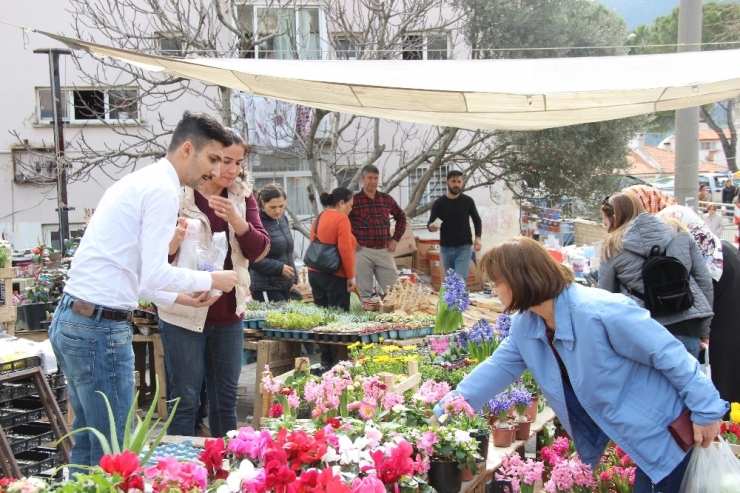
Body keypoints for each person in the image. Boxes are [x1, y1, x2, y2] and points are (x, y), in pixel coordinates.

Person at [434, 237, 726, 492]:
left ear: (518, 279)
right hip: (635, 437)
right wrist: (444, 411)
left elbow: (669, 354)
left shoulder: (600, 311)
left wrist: (706, 410)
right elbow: (494, 371)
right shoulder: (527, 325)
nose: (494, 291)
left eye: (496, 283)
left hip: (667, 432)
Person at [49, 111, 240, 467]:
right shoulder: (161, 189)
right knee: (117, 454)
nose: (215, 171)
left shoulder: (143, 181)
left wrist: (180, 297)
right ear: (187, 149)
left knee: (92, 448)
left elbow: (134, 275)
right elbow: (154, 273)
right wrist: (212, 279)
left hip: (78, 319)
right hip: (97, 329)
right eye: (212, 159)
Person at [157, 129, 270, 439]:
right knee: (186, 401)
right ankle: (181, 474)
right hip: (182, 312)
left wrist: (238, 220)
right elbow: (156, 260)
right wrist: (173, 241)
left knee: (225, 400)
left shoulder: (241, 196)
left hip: (228, 313)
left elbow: (259, 249)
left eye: (238, 162)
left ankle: (228, 467)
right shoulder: (178, 193)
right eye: (223, 161)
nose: (231, 170)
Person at [597, 193, 713, 359]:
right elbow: (704, 282)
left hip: (642, 334)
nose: (607, 228)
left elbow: (606, 298)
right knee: (688, 384)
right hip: (688, 329)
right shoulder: (678, 230)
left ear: (614, 218)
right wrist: (703, 330)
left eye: (606, 223)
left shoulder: (612, 246)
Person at [656, 205, 740, 411]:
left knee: (718, 395)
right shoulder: (725, 250)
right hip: (733, 331)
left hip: (710, 341)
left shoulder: (693, 262)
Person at [308, 188, 357, 369]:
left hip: (315, 272)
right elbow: (344, 249)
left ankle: (325, 361)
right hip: (335, 275)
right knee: (338, 320)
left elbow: (312, 242)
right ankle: (339, 362)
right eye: (350, 205)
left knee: (322, 318)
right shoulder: (341, 218)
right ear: (342, 203)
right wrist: (351, 276)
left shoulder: (319, 217)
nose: (351, 210)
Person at [348, 165, 407, 300]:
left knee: (394, 292)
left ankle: (392, 320)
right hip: (362, 251)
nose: (373, 181)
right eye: (369, 178)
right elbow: (342, 221)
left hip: (384, 251)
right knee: (365, 294)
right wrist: (350, 238)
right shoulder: (354, 200)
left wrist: (396, 239)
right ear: (362, 179)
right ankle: (367, 320)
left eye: (375, 178)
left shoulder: (386, 199)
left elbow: (401, 217)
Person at [427, 169, 482, 281]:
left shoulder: (468, 201)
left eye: (459, 181)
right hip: (445, 248)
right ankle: (455, 299)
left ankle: (459, 298)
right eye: (453, 181)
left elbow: (477, 220)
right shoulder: (439, 203)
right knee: (451, 281)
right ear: (447, 182)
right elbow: (431, 224)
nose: (456, 184)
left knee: (460, 280)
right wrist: (432, 227)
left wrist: (478, 238)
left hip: (464, 247)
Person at [249, 183, 298, 302]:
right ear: (262, 203)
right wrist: (279, 268)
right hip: (265, 286)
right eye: (272, 207)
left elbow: (288, 253)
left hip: (284, 286)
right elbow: (250, 258)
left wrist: (294, 279)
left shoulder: (283, 219)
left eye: (281, 206)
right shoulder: (256, 223)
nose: (278, 210)